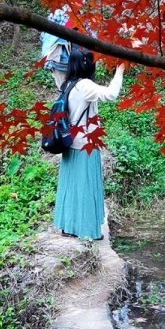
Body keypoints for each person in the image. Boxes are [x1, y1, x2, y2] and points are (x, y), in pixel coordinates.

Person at [53, 48, 124, 240]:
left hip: (71, 143)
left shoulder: (69, 84)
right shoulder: (85, 85)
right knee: (85, 188)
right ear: (87, 64)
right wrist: (120, 69)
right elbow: (111, 94)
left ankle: (69, 226)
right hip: (86, 144)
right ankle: (86, 230)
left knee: (71, 187)